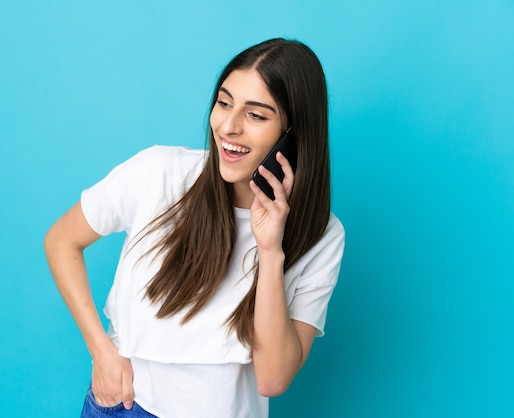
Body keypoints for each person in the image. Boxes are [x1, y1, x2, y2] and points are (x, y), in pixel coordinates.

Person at [44, 38, 345, 418]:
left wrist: (270, 251)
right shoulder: (159, 173)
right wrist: (100, 349)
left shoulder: (322, 234)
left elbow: (272, 379)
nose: (228, 127)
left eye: (256, 115)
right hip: (126, 407)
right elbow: (61, 241)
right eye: (223, 103)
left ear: (294, 136)